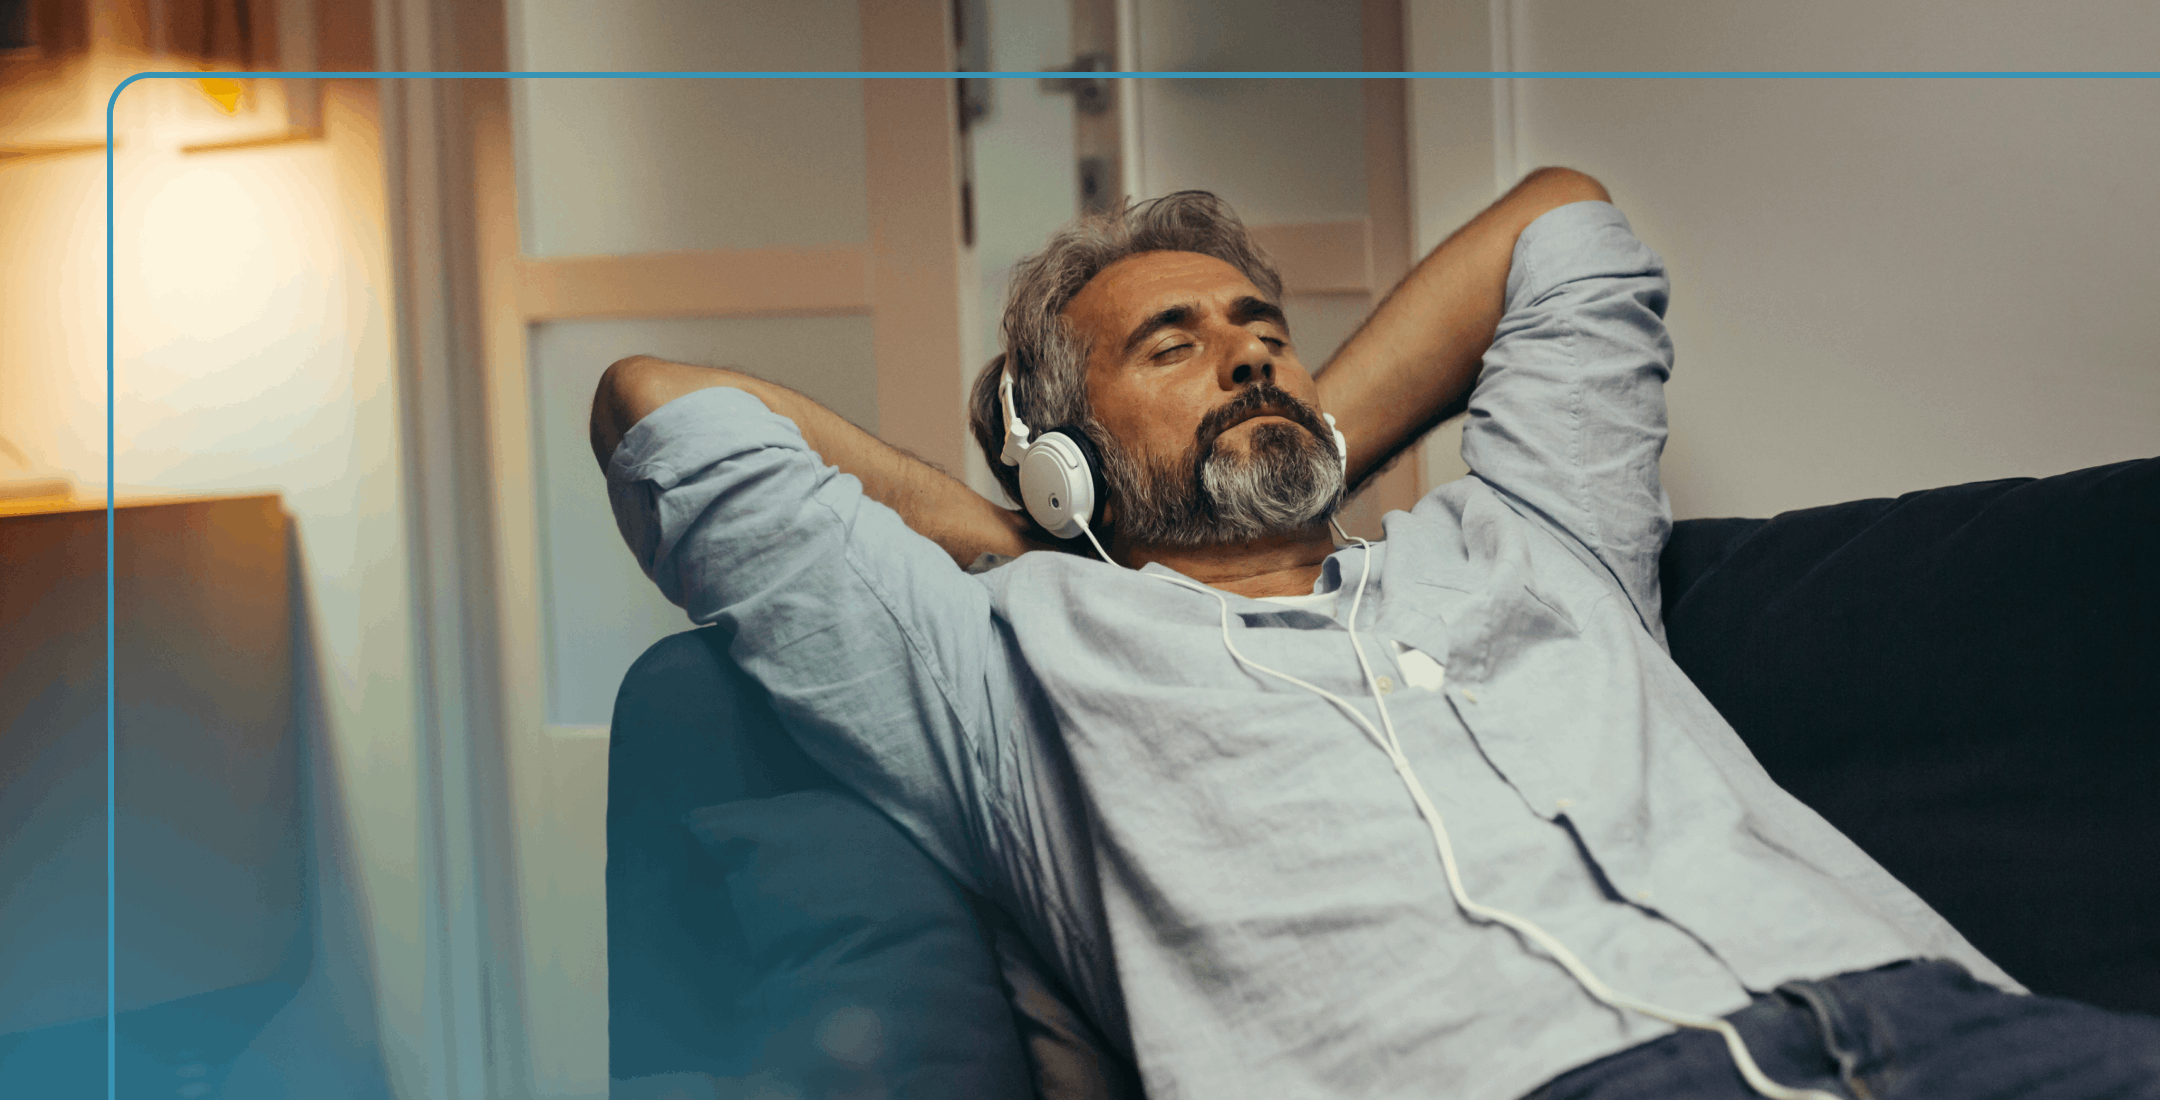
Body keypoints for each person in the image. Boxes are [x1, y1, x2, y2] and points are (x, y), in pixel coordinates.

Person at [588, 169, 2160, 1100]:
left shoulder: (1528, 547)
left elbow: (1565, 224)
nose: (1250, 359)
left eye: (1266, 335)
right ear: (1060, 455)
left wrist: (1286, 430)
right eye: (1174, 345)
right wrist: (1035, 539)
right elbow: (664, 411)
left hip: (1958, 1032)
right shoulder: (1003, 668)